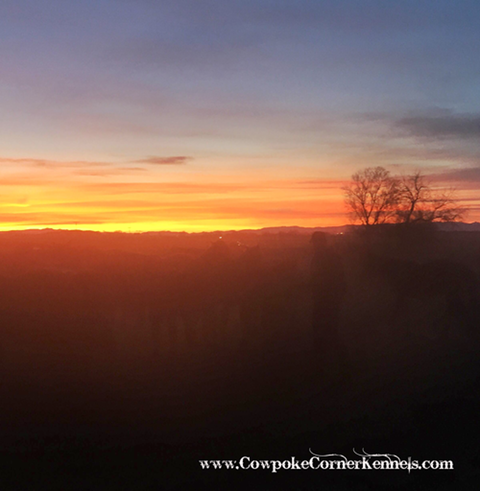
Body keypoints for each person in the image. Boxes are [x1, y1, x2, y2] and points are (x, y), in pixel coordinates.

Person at [310, 232, 347, 373]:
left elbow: (334, 280)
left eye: (315, 242)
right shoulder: (322, 257)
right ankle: (323, 363)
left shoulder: (328, 258)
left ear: (321, 243)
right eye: (314, 243)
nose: (314, 245)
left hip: (327, 299)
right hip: (322, 299)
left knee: (328, 330)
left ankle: (337, 364)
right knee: (322, 330)